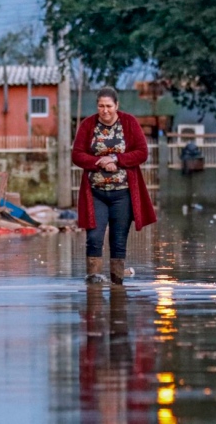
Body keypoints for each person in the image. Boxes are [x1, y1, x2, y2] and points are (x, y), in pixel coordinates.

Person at [72, 87, 157, 284]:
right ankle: (93, 280)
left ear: (117, 106)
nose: (105, 110)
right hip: (96, 193)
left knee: (118, 241)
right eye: (101, 106)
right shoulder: (87, 125)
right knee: (94, 237)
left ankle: (117, 283)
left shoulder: (129, 122)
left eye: (109, 106)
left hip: (123, 194)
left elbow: (142, 152)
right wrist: (99, 161)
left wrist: (116, 159)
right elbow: (77, 154)